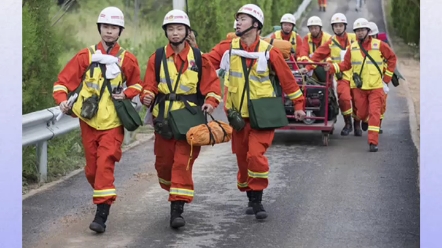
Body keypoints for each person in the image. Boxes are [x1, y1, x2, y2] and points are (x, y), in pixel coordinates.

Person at [204, 4, 306, 220]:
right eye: (238, 18)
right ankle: (250, 192)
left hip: (262, 116)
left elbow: (288, 80)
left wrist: (298, 106)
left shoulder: (269, 52)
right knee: (243, 160)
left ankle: (257, 200)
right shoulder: (228, 48)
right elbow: (206, 64)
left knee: (255, 155)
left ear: (256, 25)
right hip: (237, 118)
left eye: (243, 18)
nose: (238, 22)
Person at [52, 6, 144, 233]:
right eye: (106, 27)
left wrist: (127, 93)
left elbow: (138, 85)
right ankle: (104, 192)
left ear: (120, 31)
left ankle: (101, 216)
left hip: (113, 123)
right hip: (88, 122)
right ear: (99, 29)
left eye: (114, 27)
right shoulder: (85, 56)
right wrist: (62, 100)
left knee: (104, 165)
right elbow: (62, 82)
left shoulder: (127, 59)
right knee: (92, 170)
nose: (109, 31)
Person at [140, 9, 222, 229]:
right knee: (164, 165)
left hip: (189, 120)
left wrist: (211, 102)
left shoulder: (198, 58)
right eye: (171, 29)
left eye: (179, 28)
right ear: (166, 32)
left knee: (182, 163)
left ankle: (177, 209)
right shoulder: (156, 58)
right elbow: (148, 85)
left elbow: (213, 85)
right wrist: (146, 95)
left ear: (186, 32)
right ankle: (175, 191)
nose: (175, 33)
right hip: (164, 120)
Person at [324, 18, 397, 152]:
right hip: (359, 88)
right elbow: (345, 65)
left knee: (374, 113)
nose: (360, 33)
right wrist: (332, 67)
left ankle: (373, 142)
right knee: (362, 114)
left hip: (376, 87)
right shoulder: (352, 48)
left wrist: (387, 78)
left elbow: (392, 58)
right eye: (357, 31)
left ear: (368, 31)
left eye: (363, 30)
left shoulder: (379, 44)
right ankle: (364, 120)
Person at [300, 13, 358, 136]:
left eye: (340, 25)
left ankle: (357, 123)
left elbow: (371, 44)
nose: (338, 28)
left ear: (345, 26)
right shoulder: (331, 42)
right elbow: (317, 55)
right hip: (341, 75)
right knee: (344, 99)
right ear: (332, 27)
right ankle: (348, 123)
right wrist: (307, 67)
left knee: (359, 102)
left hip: (358, 75)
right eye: (335, 26)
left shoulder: (354, 38)